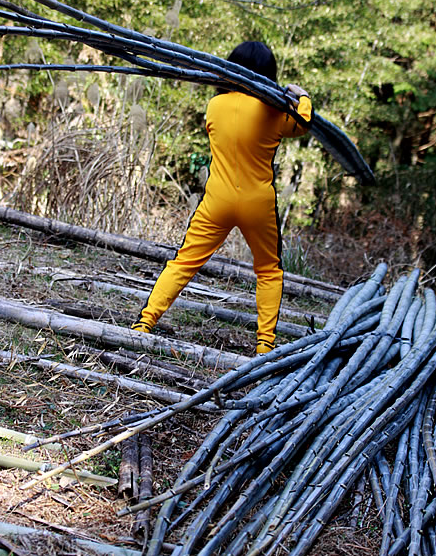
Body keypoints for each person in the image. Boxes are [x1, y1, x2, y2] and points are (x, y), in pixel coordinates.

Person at [131, 41, 312, 353]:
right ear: (269, 74)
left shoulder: (214, 107)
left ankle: (145, 321)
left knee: (184, 261)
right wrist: (301, 96)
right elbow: (303, 125)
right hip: (258, 203)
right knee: (268, 270)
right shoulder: (274, 112)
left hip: (217, 201)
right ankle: (265, 345)